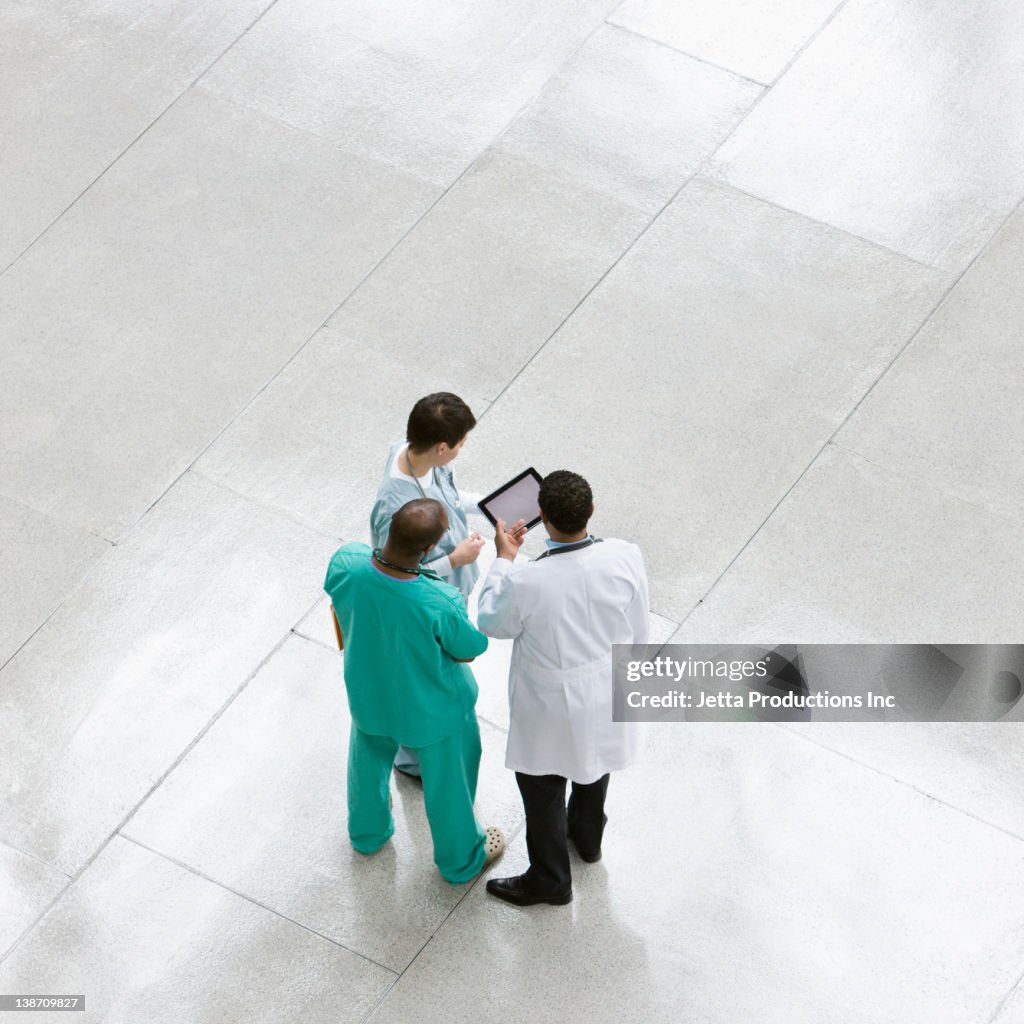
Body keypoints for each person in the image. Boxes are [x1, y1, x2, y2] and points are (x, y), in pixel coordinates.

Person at [476, 470, 648, 906]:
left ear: (542, 518)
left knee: (543, 788)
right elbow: (639, 624)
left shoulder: (527, 581)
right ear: (591, 510)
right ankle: (588, 842)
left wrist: (503, 559)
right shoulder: (626, 555)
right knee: (595, 765)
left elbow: (491, 622)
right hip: (609, 687)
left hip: (551, 704)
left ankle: (551, 879)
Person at [325, 498, 504, 884]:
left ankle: (367, 835)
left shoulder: (347, 564)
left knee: (366, 767)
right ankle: (462, 860)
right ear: (426, 551)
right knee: (449, 787)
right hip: (433, 714)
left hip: (369, 697)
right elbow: (471, 648)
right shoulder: (438, 601)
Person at [370, 392, 486, 779]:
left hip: (452, 588)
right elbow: (396, 569)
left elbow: (449, 497)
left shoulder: (423, 460)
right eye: (459, 443)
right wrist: (455, 559)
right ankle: (413, 761)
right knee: (423, 676)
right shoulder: (393, 505)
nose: (460, 449)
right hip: (426, 601)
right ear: (441, 447)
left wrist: (489, 504)